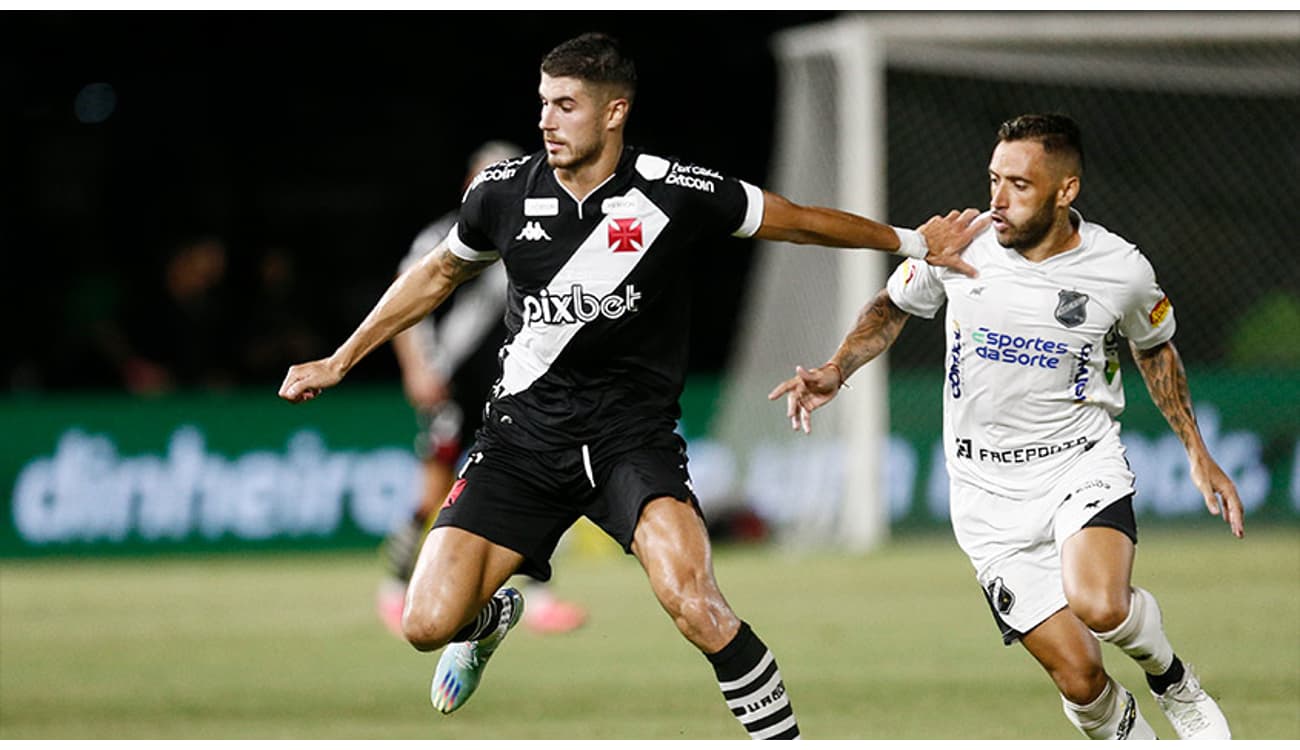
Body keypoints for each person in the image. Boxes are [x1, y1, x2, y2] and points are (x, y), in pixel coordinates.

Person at [280, 32, 984, 739]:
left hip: (630, 446)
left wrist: (913, 242)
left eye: (565, 106)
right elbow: (435, 274)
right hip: (521, 443)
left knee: (698, 607)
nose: (547, 122)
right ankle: (491, 619)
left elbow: (795, 221)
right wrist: (341, 360)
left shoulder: (676, 190)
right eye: (543, 104)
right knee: (426, 624)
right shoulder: (502, 194)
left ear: (614, 112)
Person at [770, 113, 1243, 740]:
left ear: (1066, 191)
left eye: (1018, 185)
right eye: (994, 179)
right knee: (1081, 681)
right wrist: (836, 367)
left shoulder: (1120, 270)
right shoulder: (958, 246)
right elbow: (892, 307)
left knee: (1100, 605)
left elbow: (1154, 348)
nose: (997, 200)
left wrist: (1196, 449)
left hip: (1080, 463)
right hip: (984, 495)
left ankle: (1173, 681)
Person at [378, 140, 588, 637]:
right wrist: (416, 368)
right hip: (452, 383)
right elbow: (405, 296)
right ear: (470, 182)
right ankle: (393, 587)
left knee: (535, 489)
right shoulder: (444, 235)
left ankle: (537, 599)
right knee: (432, 494)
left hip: (515, 387)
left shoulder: (535, 233)